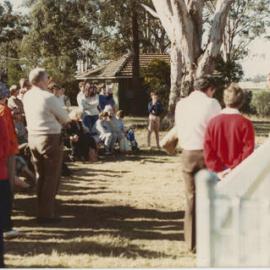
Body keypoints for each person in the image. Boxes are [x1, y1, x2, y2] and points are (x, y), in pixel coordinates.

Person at [175, 76, 222, 252]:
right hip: (207, 153)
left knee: (191, 198)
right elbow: (217, 129)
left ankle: (191, 242)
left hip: (187, 152)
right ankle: (210, 237)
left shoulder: (181, 104)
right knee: (211, 196)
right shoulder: (212, 104)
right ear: (209, 89)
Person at [23, 67, 70, 224]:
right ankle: (46, 214)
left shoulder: (27, 96)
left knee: (40, 175)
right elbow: (64, 118)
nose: (49, 80)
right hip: (49, 137)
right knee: (51, 177)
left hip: (33, 137)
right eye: (47, 78)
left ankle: (42, 209)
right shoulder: (48, 97)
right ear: (43, 80)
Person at [204, 84, 255, 180]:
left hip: (216, 173)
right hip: (239, 172)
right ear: (241, 102)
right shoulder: (246, 124)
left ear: (224, 100)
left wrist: (218, 170)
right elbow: (248, 150)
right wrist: (233, 168)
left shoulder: (212, 122)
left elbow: (207, 149)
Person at [0, 84, 20, 238]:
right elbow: (6, 137)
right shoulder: (3, 111)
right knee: (6, 193)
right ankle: (6, 226)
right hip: (4, 158)